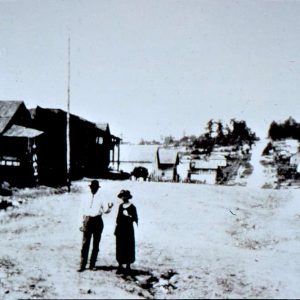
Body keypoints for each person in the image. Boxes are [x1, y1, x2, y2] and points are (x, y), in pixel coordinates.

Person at [77, 180, 113, 272]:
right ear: (90, 187)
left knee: (96, 244)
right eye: (92, 187)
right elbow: (81, 210)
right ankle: (82, 264)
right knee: (85, 244)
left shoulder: (101, 197)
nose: (93, 189)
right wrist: (81, 223)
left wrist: (110, 208)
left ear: (97, 188)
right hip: (87, 221)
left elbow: (105, 211)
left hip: (97, 221)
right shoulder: (85, 197)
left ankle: (92, 265)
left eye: (95, 188)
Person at [114, 189, 138, 275]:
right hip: (120, 229)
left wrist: (128, 216)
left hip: (128, 230)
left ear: (128, 197)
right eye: (122, 196)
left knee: (128, 247)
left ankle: (128, 266)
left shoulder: (132, 207)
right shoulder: (120, 206)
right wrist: (116, 228)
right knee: (120, 246)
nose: (123, 198)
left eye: (125, 196)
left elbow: (135, 219)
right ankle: (120, 265)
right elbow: (118, 218)